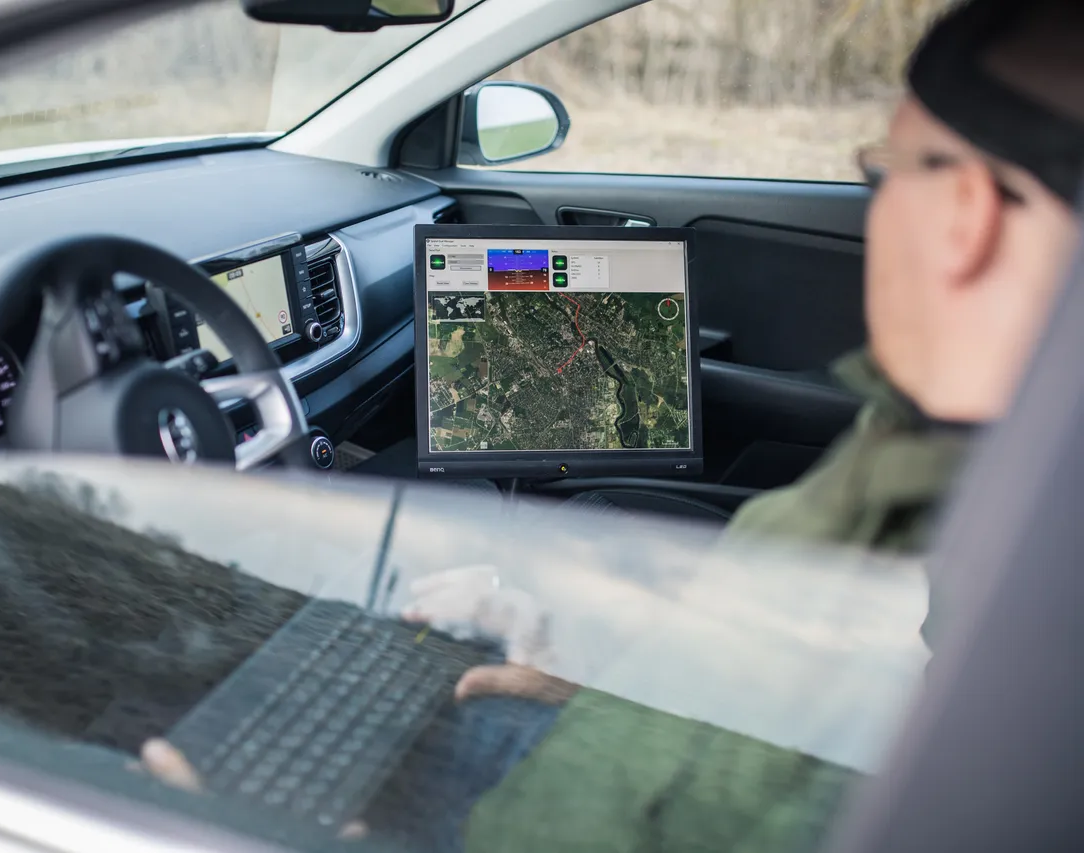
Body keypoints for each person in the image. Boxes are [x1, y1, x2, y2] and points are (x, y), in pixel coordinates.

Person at [140, 0, 1084, 850]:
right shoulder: (975, 465)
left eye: (880, 175)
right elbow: (860, 725)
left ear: (962, 212)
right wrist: (604, 695)